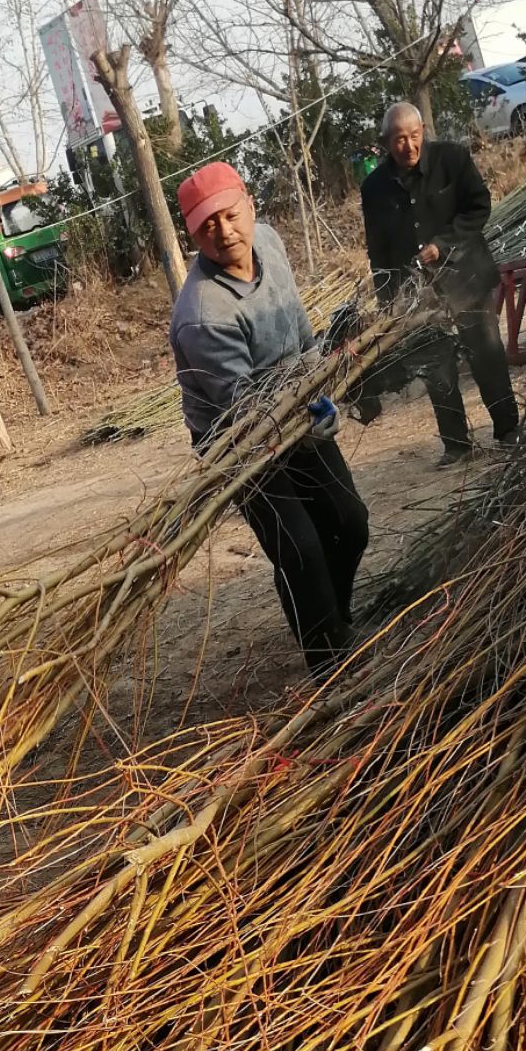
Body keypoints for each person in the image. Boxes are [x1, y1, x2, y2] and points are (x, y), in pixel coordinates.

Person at [168, 159, 368, 672]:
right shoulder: (203, 313)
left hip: (298, 401)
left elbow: (299, 323)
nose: (224, 231)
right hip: (238, 437)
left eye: (230, 215)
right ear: (193, 236)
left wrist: (321, 382)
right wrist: (301, 415)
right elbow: (246, 408)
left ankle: (332, 616)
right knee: (299, 547)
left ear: (249, 206)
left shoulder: (270, 243)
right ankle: (327, 659)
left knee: (349, 520)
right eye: (207, 225)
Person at [360, 101, 518, 468]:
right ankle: (456, 444)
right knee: (436, 365)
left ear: (423, 133)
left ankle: (508, 429)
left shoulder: (453, 159)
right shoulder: (374, 189)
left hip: (466, 277)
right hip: (418, 292)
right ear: (386, 142)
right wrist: (389, 301)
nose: (409, 147)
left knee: (487, 357)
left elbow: (479, 207)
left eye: (414, 136)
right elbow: (377, 249)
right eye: (399, 140)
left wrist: (443, 244)